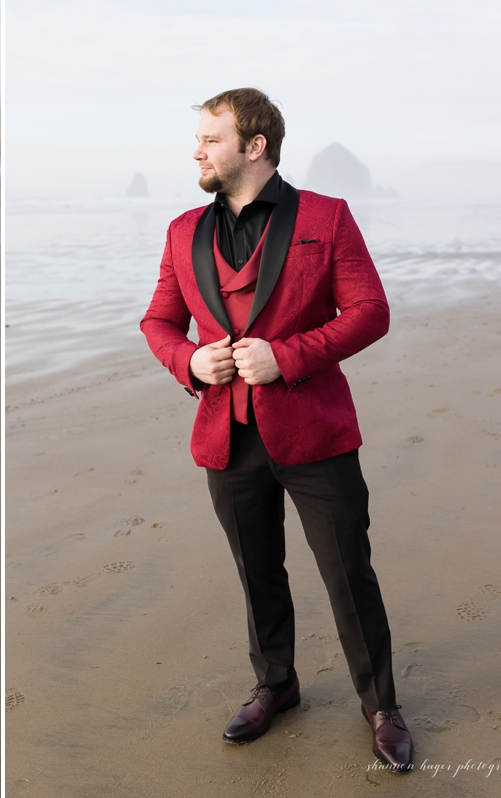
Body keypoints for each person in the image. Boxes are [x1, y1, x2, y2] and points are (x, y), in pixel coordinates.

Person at [140, 88, 412, 772]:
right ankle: (276, 685)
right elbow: (159, 323)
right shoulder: (182, 232)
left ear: (254, 146)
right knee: (256, 571)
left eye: (210, 139)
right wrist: (191, 362)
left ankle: (381, 706)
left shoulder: (327, 217)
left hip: (315, 434)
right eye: (197, 139)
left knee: (348, 571)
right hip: (225, 438)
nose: (195, 151)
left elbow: (369, 311)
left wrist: (285, 356)